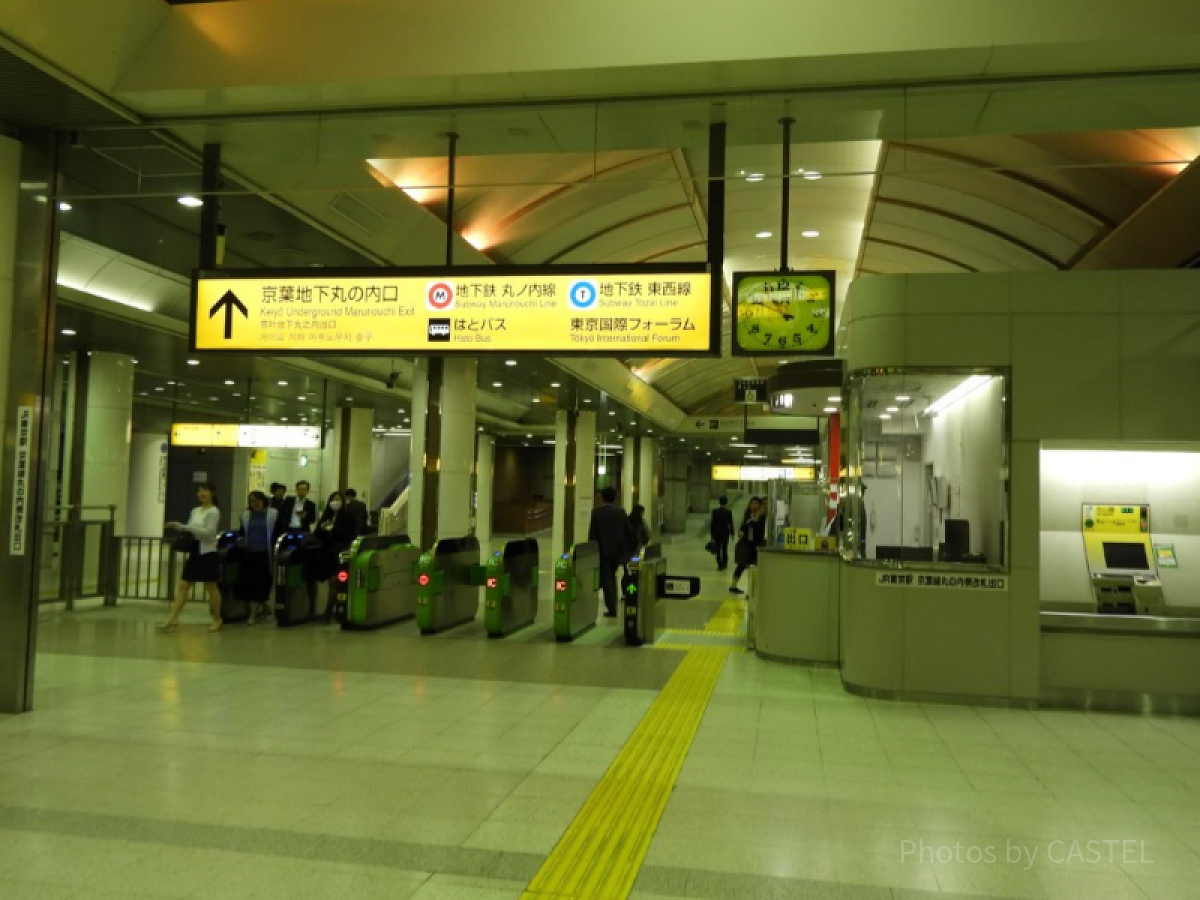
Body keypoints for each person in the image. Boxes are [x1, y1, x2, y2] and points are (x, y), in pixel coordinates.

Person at [158, 482, 223, 632]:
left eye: (205, 491)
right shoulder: (195, 511)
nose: (202, 494)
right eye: (199, 491)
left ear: (212, 493)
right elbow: (190, 529)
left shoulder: (214, 511)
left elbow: (208, 533)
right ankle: (173, 618)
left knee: (211, 587)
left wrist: (188, 527)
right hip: (195, 551)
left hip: (208, 552)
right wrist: (177, 526)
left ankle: (217, 618)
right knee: (183, 586)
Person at [588, 486, 635, 618]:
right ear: (615, 498)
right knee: (611, 577)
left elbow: (592, 535)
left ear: (602, 497)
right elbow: (628, 532)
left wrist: (592, 552)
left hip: (603, 552)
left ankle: (612, 608)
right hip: (618, 552)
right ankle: (612, 603)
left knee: (607, 579)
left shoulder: (596, 513)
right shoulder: (621, 512)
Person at [313, 491, 357, 615]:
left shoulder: (348, 516)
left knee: (337, 582)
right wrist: (323, 528)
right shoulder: (326, 516)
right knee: (331, 581)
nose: (336, 502)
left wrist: (335, 529)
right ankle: (330, 609)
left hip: (340, 552)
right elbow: (317, 534)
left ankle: (331, 610)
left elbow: (351, 534)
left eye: (338, 499)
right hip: (327, 553)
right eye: (333, 499)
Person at [238, 490, 277, 625]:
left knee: (260, 583)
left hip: (265, 554)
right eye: (252, 501)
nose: (255, 503)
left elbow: (278, 531)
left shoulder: (273, 514)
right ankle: (263, 608)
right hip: (250, 554)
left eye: (257, 500)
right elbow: (242, 533)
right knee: (250, 583)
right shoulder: (245, 515)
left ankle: (253, 615)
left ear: (263, 501)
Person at [730, 496, 766, 595]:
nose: (753, 506)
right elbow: (743, 527)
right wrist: (741, 531)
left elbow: (759, 530)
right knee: (741, 565)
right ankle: (733, 585)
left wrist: (756, 518)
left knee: (755, 568)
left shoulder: (762, 517)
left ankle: (753, 590)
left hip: (757, 545)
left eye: (756, 504)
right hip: (746, 544)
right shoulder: (748, 515)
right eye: (752, 504)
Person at [275, 479, 316, 544]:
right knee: (289, 547)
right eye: (300, 489)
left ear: (308, 491)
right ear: (296, 490)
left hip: (302, 529)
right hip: (289, 529)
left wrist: (305, 517)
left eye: (304, 489)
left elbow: (313, 519)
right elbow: (281, 513)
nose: (302, 492)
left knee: (301, 547)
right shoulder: (289, 500)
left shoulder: (311, 504)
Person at [709, 496, 734, 571]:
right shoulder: (728, 512)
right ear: (726, 502)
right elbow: (730, 523)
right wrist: (732, 533)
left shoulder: (715, 512)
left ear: (719, 502)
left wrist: (712, 534)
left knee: (718, 549)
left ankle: (719, 564)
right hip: (725, 533)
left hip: (717, 533)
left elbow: (712, 523)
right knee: (724, 549)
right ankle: (724, 564)